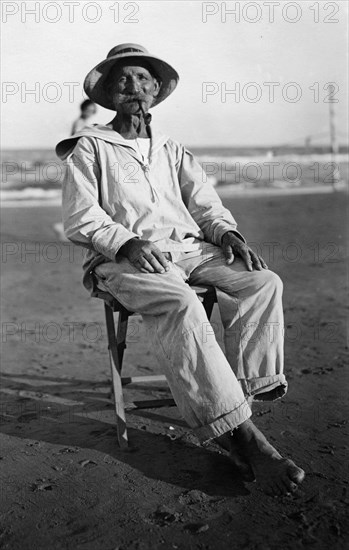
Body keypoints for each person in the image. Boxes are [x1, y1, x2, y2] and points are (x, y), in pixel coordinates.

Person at [56, 43, 305, 496]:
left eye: (144, 79)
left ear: (155, 91)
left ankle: (238, 400)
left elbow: (206, 206)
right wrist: (127, 242)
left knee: (264, 282)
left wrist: (228, 235)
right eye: (124, 80)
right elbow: (81, 218)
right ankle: (246, 437)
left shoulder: (172, 149)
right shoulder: (90, 147)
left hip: (189, 250)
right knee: (180, 301)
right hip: (123, 258)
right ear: (110, 92)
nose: (136, 87)